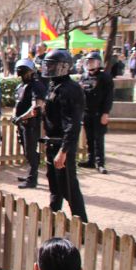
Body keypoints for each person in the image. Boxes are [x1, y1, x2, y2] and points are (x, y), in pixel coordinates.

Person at [41, 49, 88, 222]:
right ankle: (52, 221)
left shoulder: (71, 89)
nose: (49, 68)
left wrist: (64, 150)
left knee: (68, 187)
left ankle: (82, 224)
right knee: (55, 187)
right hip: (52, 143)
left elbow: (73, 124)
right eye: (48, 64)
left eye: (53, 65)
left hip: (62, 145)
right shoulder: (54, 85)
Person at [12, 59, 47, 189]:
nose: (23, 75)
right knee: (27, 151)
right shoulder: (20, 86)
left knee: (31, 151)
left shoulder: (37, 86)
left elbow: (36, 106)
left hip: (31, 124)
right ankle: (30, 174)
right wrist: (14, 115)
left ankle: (33, 179)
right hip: (22, 124)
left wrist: (22, 117)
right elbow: (17, 103)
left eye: (25, 72)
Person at [78, 52, 114, 175]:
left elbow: (109, 97)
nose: (90, 64)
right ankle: (91, 160)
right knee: (89, 138)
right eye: (88, 61)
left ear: (99, 63)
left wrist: (106, 113)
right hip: (87, 112)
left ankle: (100, 163)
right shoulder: (84, 77)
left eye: (92, 61)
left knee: (98, 138)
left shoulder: (105, 77)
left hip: (99, 113)